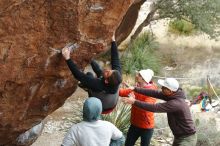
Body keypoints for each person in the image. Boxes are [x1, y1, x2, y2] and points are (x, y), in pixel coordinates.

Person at [121, 78, 197, 146]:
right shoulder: (172, 95)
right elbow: (154, 93)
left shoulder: (176, 103)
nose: (161, 88)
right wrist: (135, 88)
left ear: (169, 91)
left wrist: (134, 101)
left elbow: (154, 107)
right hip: (179, 136)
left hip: (187, 138)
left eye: (163, 87)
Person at [62, 34, 122, 113]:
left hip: (102, 108)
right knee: (100, 72)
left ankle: (86, 86)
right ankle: (91, 60)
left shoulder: (98, 85)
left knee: (89, 75)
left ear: (106, 81)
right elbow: (115, 59)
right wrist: (113, 41)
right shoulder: (116, 75)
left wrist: (67, 58)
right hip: (111, 99)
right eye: (110, 70)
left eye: (108, 73)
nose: (107, 70)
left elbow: (79, 76)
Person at [119, 69, 157, 146]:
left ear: (143, 79)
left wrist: (133, 101)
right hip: (135, 124)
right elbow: (122, 92)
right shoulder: (136, 87)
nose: (136, 76)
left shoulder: (152, 91)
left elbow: (147, 106)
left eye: (139, 75)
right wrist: (113, 85)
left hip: (146, 127)